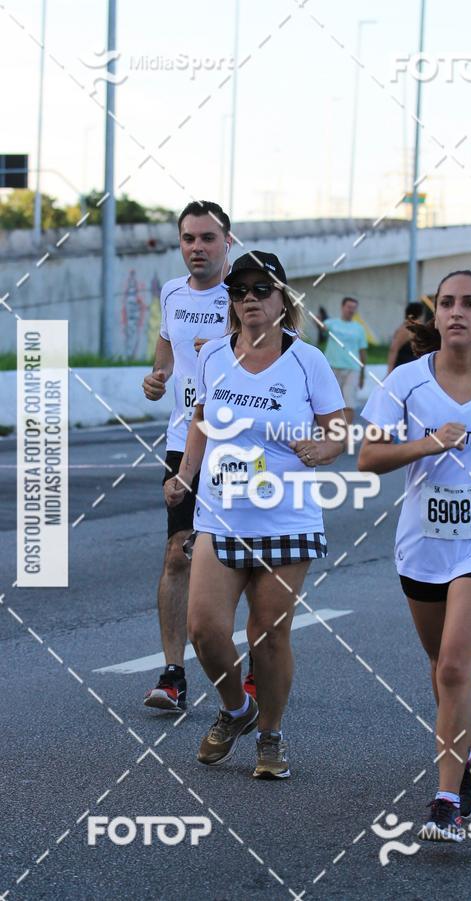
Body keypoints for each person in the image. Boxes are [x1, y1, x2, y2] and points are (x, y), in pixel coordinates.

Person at [358, 270, 471, 841]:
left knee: (456, 664)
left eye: (470, 304)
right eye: (447, 303)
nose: (457, 311)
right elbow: (369, 459)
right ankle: (468, 742)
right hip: (423, 546)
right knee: (439, 668)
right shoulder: (406, 383)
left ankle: (446, 799)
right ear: (437, 318)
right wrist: (430, 442)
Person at [164, 250, 346, 778]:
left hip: (285, 517)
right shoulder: (215, 354)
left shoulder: (306, 360)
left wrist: (322, 447)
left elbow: (337, 426)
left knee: (268, 632)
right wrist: (185, 475)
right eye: (239, 292)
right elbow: (201, 418)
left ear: (282, 300)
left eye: (260, 291)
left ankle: (270, 735)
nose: (249, 300)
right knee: (204, 629)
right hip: (221, 513)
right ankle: (236, 710)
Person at [141, 200, 254, 712]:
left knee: (250, 556)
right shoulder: (171, 292)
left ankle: (257, 669)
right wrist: (158, 376)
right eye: (189, 238)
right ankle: (173, 674)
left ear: (227, 241)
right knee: (176, 553)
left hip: (240, 443)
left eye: (208, 238)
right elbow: (168, 348)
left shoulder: (247, 294)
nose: (197, 248)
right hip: (184, 439)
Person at [323, 297, 368, 424]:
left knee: (349, 403)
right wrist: (319, 320)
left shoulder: (359, 329)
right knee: (330, 403)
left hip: (352, 369)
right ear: (342, 307)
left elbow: (362, 351)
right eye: (349, 307)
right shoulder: (331, 323)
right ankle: (331, 432)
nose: (351, 310)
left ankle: (345, 434)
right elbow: (321, 328)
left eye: (354, 308)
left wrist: (362, 375)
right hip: (332, 368)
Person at [386, 301, 425, 374]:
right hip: (402, 371)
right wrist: (389, 373)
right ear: (419, 315)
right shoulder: (405, 330)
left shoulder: (416, 330)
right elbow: (393, 350)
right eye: (422, 314)